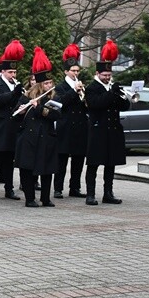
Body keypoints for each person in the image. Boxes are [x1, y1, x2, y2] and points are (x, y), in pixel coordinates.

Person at [84, 40, 136, 206]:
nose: (107, 78)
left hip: (113, 131)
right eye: (104, 76)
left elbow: (124, 106)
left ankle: (108, 193)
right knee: (93, 164)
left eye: (109, 76)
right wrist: (111, 94)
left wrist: (122, 95)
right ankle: (90, 194)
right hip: (98, 131)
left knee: (110, 164)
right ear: (98, 74)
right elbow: (96, 104)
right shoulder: (92, 88)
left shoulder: (113, 88)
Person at [13, 47, 59, 207]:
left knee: (47, 170)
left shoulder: (54, 97)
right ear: (39, 85)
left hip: (46, 138)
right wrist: (23, 110)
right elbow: (16, 114)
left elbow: (55, 115)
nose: (49, 85)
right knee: (26, 169)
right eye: (46, 83)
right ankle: (30, 198)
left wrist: (38, 107)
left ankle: (45, 198)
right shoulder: (26, 96)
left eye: (50, 82)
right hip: (28, 138)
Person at [0, 40, 25, 201]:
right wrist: (14, 94)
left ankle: (9, 189)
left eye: (14, 73)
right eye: (10, 73)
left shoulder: (15, 86)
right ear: (3, 72)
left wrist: (23, 102)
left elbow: (20, 102)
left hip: (13, 127)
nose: (13, 76)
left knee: (10, 160)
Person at [53, 43, 88, 199]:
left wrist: (84, 96)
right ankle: (58, 188)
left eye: (77, 71)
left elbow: (86, 105)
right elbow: (61, 103)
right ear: (66, 71)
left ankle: (75, 187)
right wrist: (74, 91)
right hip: (65, 127)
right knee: (61, 160)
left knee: (78, 160)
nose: (75, 73)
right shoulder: (60, 87)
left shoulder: (81, 86)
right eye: (73, 71)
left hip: (80, 128)